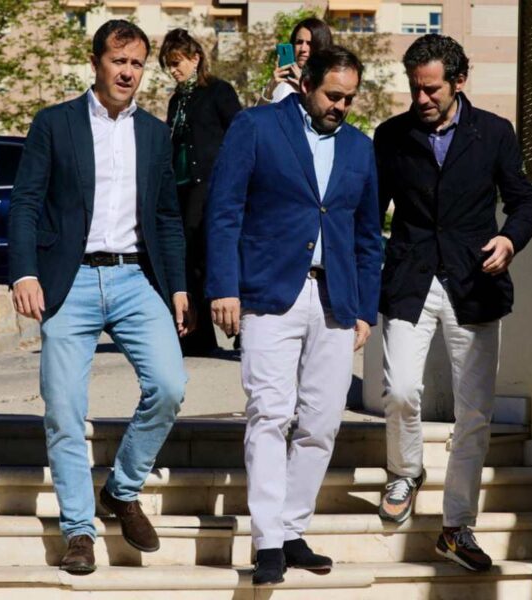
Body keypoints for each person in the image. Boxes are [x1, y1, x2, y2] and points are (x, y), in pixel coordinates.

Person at [8, 20, 191, 574]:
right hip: (71, 280)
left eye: (137, 63)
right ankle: (79, 532)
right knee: (64, 409)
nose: (128, 72)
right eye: (118, 61)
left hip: (136, 279)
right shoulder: (55, 123)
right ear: (96, 63)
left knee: (169, 385)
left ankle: (122, 488)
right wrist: (24, 273)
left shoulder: (154, 134)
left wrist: (178, 285)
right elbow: (26, 202)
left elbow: (166, 216)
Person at [207, 46, 383, 585]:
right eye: (333, 95)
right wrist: (224, 287)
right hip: (268, 292)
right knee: (269, 412)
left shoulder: (359, 147)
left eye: (349, 98)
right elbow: (225, 210)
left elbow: (368, 234)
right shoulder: (256, 126)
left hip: (335, 298)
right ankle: (267, 542)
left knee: (322, 421)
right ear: (306, 84)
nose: (341, 106)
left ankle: (291, 529)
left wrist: (366, 309)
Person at [373, 34, 532, 572]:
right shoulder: (390, 135)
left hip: (474, 283)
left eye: (431, 89)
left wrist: (509, 239)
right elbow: (370, 214)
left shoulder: (494, 132)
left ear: (459, 81)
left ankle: (456, 527)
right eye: (414, 88)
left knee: (473, 413)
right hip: (410, 279)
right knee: (401, 390)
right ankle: (405, 471)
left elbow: (522, 202)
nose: (421, 98)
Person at [160, 29, 242, 356]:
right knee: (189, 255)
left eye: (177, 62)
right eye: (168, 64)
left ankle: (241, 326)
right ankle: (198, 334)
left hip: (212, 185)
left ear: (195, 59)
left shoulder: (219, 91)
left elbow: (239, 134)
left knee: (213, 253)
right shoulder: (177, 100)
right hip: (182, 188)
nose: (173, 70)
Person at [260, 17, 333, 105]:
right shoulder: (280, 79)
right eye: (299, 42)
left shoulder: (329, 81)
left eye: (310, 44)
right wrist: (269, 90)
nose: (303, 49)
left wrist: (305, 89)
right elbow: (256, 113)